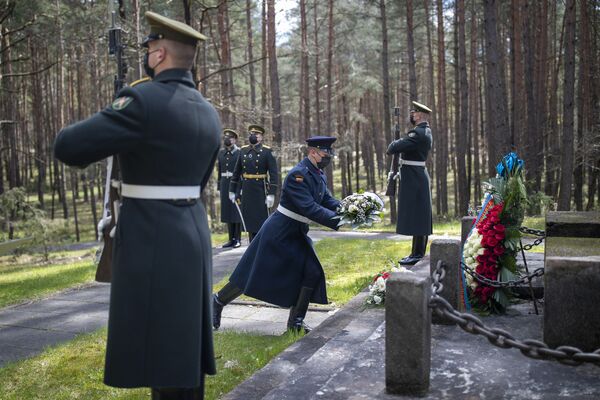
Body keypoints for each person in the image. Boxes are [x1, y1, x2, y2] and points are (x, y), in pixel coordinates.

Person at [54, 11, 219, 400]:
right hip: (193, 233)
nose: (147, 53)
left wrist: (116, 110)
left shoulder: (142, 100)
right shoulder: (208, 112)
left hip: (153, 236)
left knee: (162, 349)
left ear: (159, 54)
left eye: (149, 47)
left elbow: (69, 147)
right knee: (183, 349)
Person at [214, 136, 340, 333]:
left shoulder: (317, 172)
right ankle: (217, 301)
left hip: (296, 231)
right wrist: (339, 221)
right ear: (313, 152)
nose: (328, 157)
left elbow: (326, 200)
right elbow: (309, 208)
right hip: (279, 232)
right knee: (252, 273)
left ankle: (295, 324)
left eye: (330, 153)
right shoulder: (298, 175)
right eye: (326, 153)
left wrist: (349, 210)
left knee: (312, 272)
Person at [387, 101, 433, 266]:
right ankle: (416, 252)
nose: (411, 115)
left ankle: (417, 253)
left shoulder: (418, 133)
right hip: (415, 177)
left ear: (419, 115)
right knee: (419, 215)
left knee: (419, 216)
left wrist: (395, 142)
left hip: (415, 178)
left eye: (413, 112)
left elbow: (393, 147)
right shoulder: (424, 131)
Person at [228, 124, 278, 242]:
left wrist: (271, 194)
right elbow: (236, 172)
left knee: (261, 221)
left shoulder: (267, 151)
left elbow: (274, 174)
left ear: (261, 137)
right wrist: (231, 190)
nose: (253, 136)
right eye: (252, 134)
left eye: (256, 134)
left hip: (261, 190)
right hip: (247, 190)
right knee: (249, 221)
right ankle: (252, 246)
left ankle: (262, 245)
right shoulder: (243, 150)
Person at [217, 128, 242, 248]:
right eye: (226, 137)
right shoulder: (221, 153)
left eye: (230, 137)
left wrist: (240, 188)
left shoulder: (239, 153)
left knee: (235, 211)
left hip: (236, 184)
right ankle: (230, 239)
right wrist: (219, 187)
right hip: (224, 184)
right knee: (227, 211)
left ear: (235, 140)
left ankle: (237, 239)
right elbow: (219, 171)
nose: (227, 139)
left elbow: (241, 171)